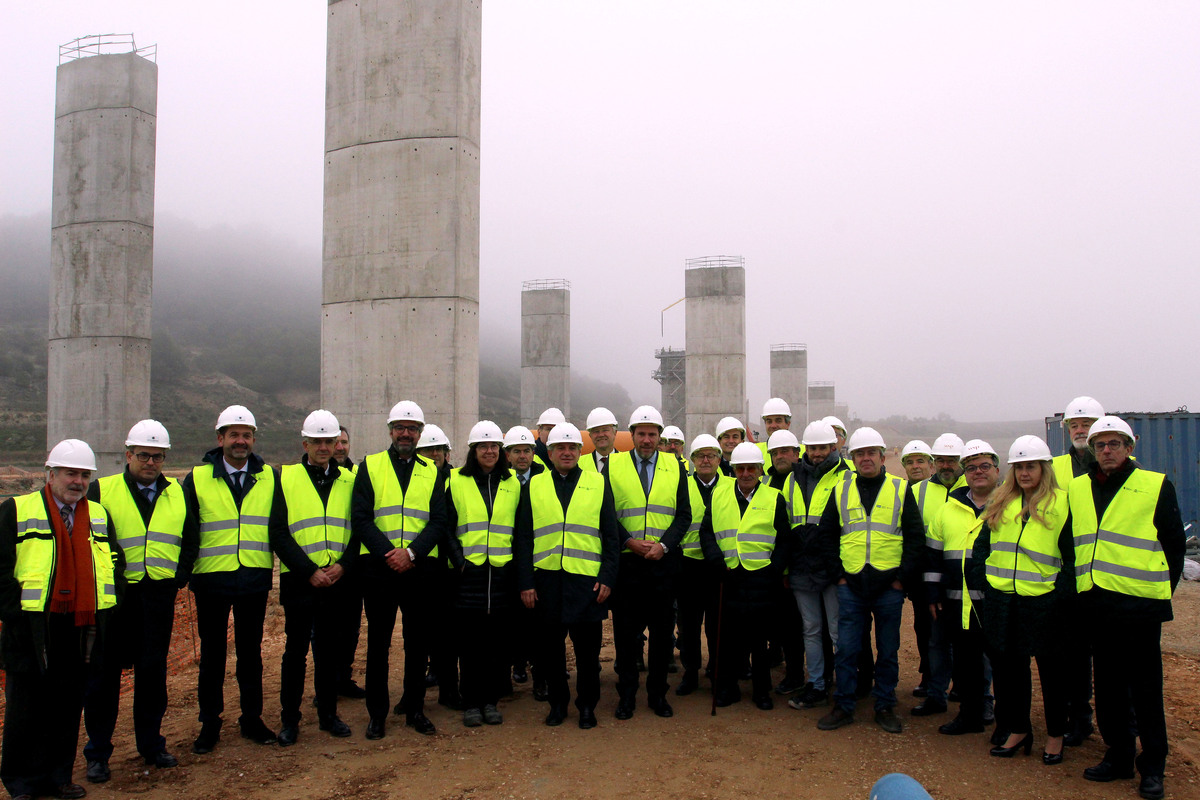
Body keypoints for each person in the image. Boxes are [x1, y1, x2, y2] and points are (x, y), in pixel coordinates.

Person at [0, 440, 122, 800]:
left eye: (85, 475)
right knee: (25, 709)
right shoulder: (16, 510)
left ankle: (59, 777)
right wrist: (15, 615)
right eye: (71, 473)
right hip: (32, 628)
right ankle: (22, 783)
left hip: (80, 626)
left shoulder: (98, 515)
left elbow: (114, 565)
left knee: (67, 707)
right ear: (50, 474)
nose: (78, 482)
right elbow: (1, 569)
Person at [1071, 416, 1184, 800]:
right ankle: (1118, 757)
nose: (1105, 451)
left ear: (1129, 447)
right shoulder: (1077, 488)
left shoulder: (1154, 486)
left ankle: (1152, 766)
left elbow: (1174, 547)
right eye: (1099, 445)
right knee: (1109, 689)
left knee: (1146, 691)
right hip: (1096, 606)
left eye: (1113, 444)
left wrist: (1156, 593)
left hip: (1140, 609)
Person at [83, 421, 197, 782]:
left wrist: (179, 576)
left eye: (158, 456)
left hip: (158, 597)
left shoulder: (176, 493)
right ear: (128, 455)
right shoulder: (102, 490)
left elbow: (191, 537)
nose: (151, 462)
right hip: (114, 600)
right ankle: (97, 754)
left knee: (152, 675)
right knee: (104, 679)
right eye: (144, 455)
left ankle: (151, 745)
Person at [969, 436, 1073, 764]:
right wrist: (984, 579)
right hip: (1002, 600)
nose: (1025, 473)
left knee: (1053, 673)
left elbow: (1071, 556)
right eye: (1019, 467)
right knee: (1009, 672)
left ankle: (1056, 735)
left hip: (1044, 602)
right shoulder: (1003, 501)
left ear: (1044, 468)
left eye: (1031, 466)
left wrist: (1061, 595)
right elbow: (983, 546)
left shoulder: (1062, 503)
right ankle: (1018, 729)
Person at [183, 405, 279, 753]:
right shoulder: (196, 478)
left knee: (250, 655)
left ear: (253, 439)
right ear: (220, 438)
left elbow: (278, 526)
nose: (241, 441)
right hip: (212, 581)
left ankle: (251, 720)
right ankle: (210, 724)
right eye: (234, 435)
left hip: (252, 578)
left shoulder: (270, 476)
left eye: (247, 435)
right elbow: (188, 529)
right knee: (212, 657)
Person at [815, 427, 923, 734]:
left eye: (871, 453)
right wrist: (839, 576)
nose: (865, 459)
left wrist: (901, 579)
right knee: (847, 649)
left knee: (887, 650)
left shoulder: (901, 490)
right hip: (851, 586)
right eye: (860, 454)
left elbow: (915, 538)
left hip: (889, 587)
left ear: (882, 455)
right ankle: (844, 705)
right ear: (852, 457)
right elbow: (827, 537)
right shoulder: (841, 490)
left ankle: (884, 705)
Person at [350, 400, 447, 739]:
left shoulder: (431, 471)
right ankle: (377, 714)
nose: (406, 433)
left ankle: (415, 710)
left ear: (420, 433)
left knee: (417, 643)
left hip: (418, 571)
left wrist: (412, 553)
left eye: (413, 428)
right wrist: (389, 553)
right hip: (378, 569)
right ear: (390, 430)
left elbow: (438, 521)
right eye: (401, 427)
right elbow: (360, 518)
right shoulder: (371, 466)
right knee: (378, 644)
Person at [514, 422, 620, 729]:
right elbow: (523, 539)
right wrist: (526, 583)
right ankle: (557, 704)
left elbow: (610, 537)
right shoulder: (534, 484)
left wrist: (608, 578)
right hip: (546, 582)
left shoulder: (597, 483)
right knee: (550, 653)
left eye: (573, 447)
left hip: (587, 582)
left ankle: (587, 706)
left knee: (588, 655)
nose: (567, 452)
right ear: (549, 452)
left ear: (579, 450)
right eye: (560, 447)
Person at [269, 410, 358, 746]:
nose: (324, 447)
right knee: (295, 652)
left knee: (329, 652)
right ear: (304, 442)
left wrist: (343, 566)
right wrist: (309, 571)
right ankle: (289, 720)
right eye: (317, 441)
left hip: (337, 580)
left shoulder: (350, 480)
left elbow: (358, 529)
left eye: (329, 441)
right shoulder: (286, 478)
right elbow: (278, 532)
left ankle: (328, 715)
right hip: (301, 582)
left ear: (338, 442)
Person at [609, 406, 691, 719]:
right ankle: (626, 696)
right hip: (629, 565)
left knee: (660, 635)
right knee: (626, 636)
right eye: (641, 433)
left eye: (652, 434)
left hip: (662, 565)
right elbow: (607, 515)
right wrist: (628, 541)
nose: (647, 439)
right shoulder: (615, 466)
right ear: (632, 435)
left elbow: (684, 514)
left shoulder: (674, 466)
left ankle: (658, 695)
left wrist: (665, 546)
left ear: (660, 436)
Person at [698, 442, 791, 709]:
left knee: (759, 639)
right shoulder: (719, 495)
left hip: (761, 579)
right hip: (729, 577)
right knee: (729, 638)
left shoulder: (773, 497)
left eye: (751, 468)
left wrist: (774, 569)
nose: (746, 473)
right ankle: (728, 688)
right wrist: (716, 560)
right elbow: (707, 532)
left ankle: (762, 691)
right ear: (735, 470)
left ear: (761, 470)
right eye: (741, 468)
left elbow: (784, 540)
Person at [445, 421, 519, 727]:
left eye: (493, 447)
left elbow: (521, 528)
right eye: (482, 446)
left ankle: (491, 701)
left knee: (497, 645)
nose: (489, 451)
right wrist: (459, 561)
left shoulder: (512, 482)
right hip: (469, 576)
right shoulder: (455, 481)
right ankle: (471, 703)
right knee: (470, 644)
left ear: (500, 451)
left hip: (502, 574)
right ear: (473, 451)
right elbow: (446, 526)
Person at [925, 440, 999, 736]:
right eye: (971, 468)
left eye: (984, 466)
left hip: (997, 601)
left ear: (996, 468)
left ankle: (1004, 721)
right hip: (959, 601)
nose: (977, 472)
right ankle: (968, 716)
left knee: (1003, 665)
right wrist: (932, 593)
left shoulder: (1011, 504)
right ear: (963, 473)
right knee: (966, 663)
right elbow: (933, 555)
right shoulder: (948, 509)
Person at [785, 421, 851, 711]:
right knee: (811, 629)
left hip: (832, 566)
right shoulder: (792, 478)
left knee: (838, 630)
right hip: (801, 567)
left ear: (833, 447)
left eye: (822, 447)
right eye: (812, 448)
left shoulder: (846, 476)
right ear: (805, 449)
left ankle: (846, 687)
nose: (817, 453)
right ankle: (817, 685)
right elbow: (786, 525)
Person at [1052, 395, 1104, 747]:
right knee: (1072, 655)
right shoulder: (1053, 467)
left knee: (1115, 661)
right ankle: (1078, 718)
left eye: (1086, 424)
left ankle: (1123, 729)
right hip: (1068, 577)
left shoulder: (1124, 466)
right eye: (1075, 425)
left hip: (1110, 580)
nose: (1081, 430)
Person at [910, 432, 965, 713]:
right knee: (930, 634)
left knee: (967, 639)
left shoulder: (977, 488)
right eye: (941, 460)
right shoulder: (917, 491)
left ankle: (965, 689)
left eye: (952, 460)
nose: (946, 466)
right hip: (927, 579)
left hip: (965, 579)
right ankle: (933, 687)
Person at [675, 434, 726, 696]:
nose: (706, 460)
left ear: (719, 459)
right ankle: (691, 671)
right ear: (692, 460)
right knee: (689, 625)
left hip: (719, 567)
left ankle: (717, 671)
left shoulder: (730, 485)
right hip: (689, 565)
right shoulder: (681, 485)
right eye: (700, 456)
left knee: (718, 623)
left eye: (711, 455)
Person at [414, 422, 459, 708]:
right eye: (427, 450)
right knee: (424, 627)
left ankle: (449, 684)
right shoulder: (416, 480)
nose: (433, 454)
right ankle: (430, 672)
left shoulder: (457, 479)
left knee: (450, 628)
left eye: (438, 449)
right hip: (425, 563)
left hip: (452, 565)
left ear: (447, 453)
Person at [762, 430, 806, 696]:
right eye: (775, 452)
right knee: (774, 619)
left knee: (795, 625)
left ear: (797, 454)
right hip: (770, 564)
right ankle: (775, 657)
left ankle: (795, 674)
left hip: (797, 565)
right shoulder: (765, 482)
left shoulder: (804, 481)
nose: (780, 456)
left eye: (785, 451)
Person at [504, 425, 545, 692]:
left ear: (534, 453)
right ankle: (517, 664)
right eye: (517, 451)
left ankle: (540, 673)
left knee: (539, 622)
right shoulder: (498, 480)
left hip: (539, 560)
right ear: (507, 455)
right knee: (512, 619)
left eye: (527, 451)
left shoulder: (546, 478)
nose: (522, 456)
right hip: (507, 560)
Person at [331, 424, 366, 699]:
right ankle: (326, 685)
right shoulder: (307, 477)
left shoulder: (357, 476)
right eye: (335, 442)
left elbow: (362, 523)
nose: (340, 447)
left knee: (351, 628)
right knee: (323, 634)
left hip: (352, 567)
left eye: (344, 441)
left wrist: (347, 562)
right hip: (320, 568)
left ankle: (343, 678)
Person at [756, 397, 793, 465]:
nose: (773, 426)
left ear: (788, 424)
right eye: (769, 421)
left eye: (778, 421)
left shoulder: (803, 452)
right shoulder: (755, 451)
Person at [580, 407, 618, 474]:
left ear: (615, 432)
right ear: (590, 436)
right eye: (596, 431)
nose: (601, 435)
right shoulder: (579, 464)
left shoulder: (629, 462)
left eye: (605, 430)